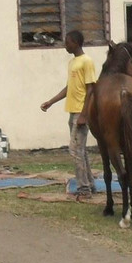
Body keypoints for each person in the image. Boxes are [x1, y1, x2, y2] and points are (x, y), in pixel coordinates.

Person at [40, 30, 97, 200]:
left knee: (74, 150)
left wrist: (84, 115)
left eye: (68, 42)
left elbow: (91, 88)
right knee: (81, 151)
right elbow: (68, 88)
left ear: (76, 43)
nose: (66, 45)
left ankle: (84, 188)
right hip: (72, 110)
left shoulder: (87, 62)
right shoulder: (72, 62)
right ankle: (90, 185)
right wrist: (51, 102)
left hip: (81, 112)